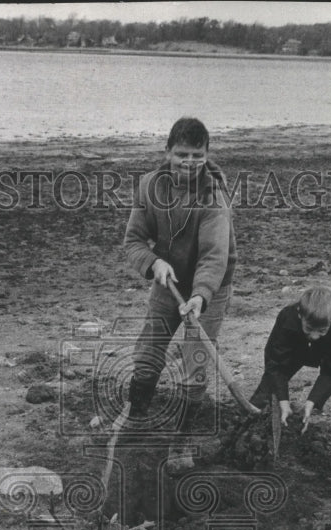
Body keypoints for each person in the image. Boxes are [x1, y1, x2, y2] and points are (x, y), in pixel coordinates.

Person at [123, 117, 236, 452]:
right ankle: (136, 417)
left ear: (206, 155)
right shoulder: (148, 186)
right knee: (147, 354)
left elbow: (214, 257)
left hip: (210, 287)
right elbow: (133, 241)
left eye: (197, 156)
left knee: (195, 363)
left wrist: (201, 296)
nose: (189, 162)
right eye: (182, 154)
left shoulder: (214, 197)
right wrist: (154, 262)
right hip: (167, 279)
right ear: (168, 151)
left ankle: (182, 439)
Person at [250, 285, 331, 492]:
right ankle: (245, 445)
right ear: (300, 314)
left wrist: (311, 402)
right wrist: (283, 399)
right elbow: (275, 363)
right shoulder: (288, 318)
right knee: (265, 391)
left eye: (321, 331)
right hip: (296, 351)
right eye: (309, 329)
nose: (314, 336)